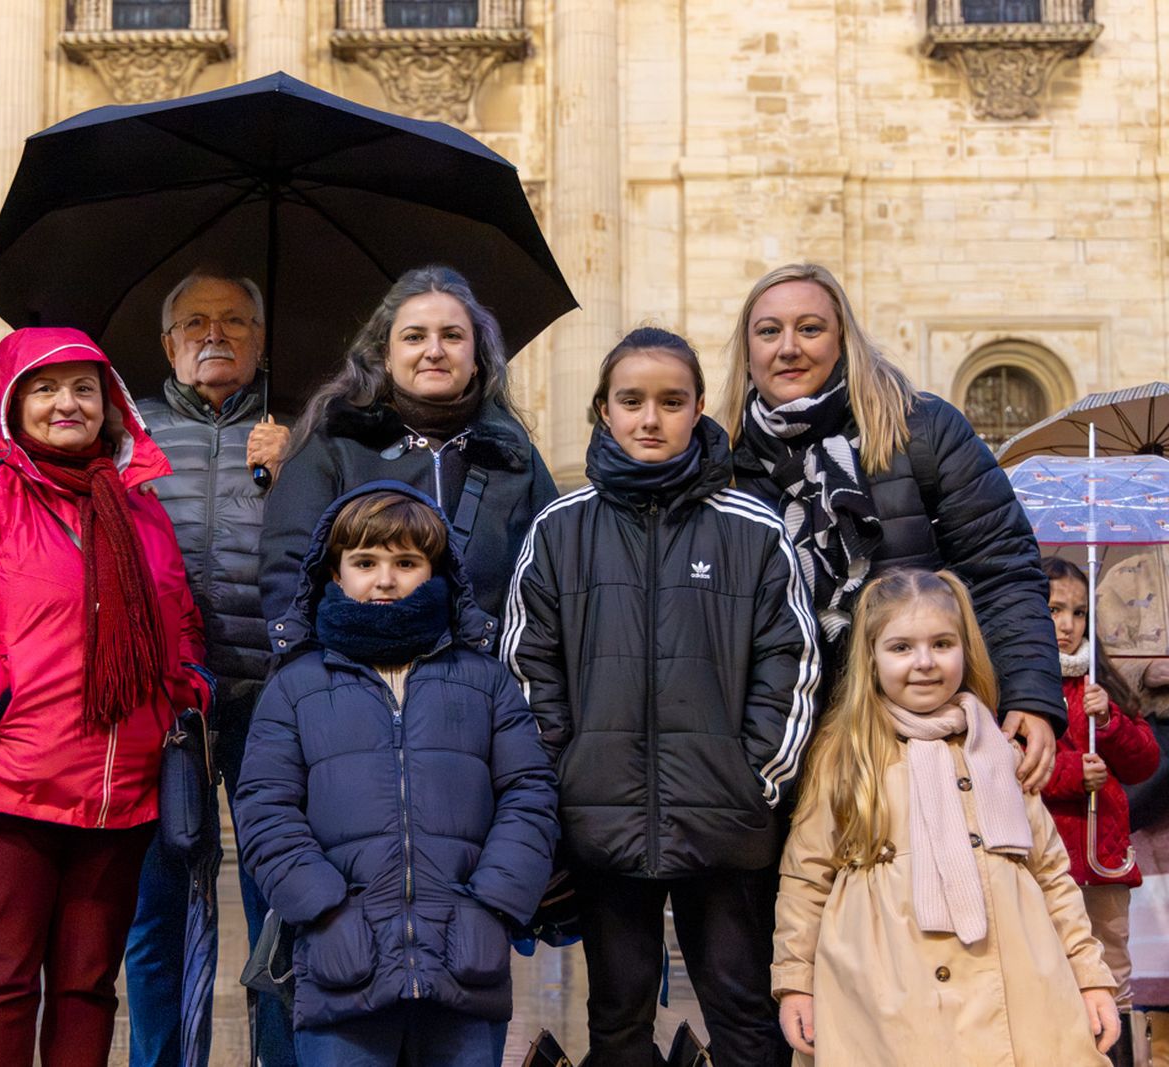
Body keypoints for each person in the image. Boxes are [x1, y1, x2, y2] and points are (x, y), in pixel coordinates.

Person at [0, 326, 211, 1067]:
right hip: (7, 781)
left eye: (84, 388)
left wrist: (177, 692)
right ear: (13, 401)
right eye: (46, 387)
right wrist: (1, 704)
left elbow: (179, 616)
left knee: (89, 984)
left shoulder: (138, 507)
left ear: (111, 403)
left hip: (118, 787)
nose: (68, 403)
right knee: (3, 975)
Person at [503, 328, 819, 1066]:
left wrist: (752, 780)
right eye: (633, 401)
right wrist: (564, 780)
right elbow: (527, 666)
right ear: (603, 410)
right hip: (602, 824)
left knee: (743, 1011)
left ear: (700, 407)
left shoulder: (752, 527)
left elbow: (793, 660)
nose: (651, 418)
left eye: (671, 401)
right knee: (617, 1015)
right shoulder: (560, 529)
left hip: (726, 824)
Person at [236, 484, 558, 1066]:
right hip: (342, 964)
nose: (385, 580)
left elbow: (529, 795)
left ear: (434, 573)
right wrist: (325, 909)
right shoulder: (296, 686)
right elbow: (265, 810)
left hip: (464, 958)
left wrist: (493, 905)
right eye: (365, 562)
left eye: (406, 563)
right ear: (334, 575)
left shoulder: (484, 682)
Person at [720, 263, 1062, 792]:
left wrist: (1029, 696)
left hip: (919, 741)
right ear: (748, 352)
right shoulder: (724, 463)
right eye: (769, 331)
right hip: (779, 754)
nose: (788, 347)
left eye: (810, 328)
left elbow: (1002, 571)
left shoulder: (920, 428)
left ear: (843, 342)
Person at [773, 568, 1119, 1066]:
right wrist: (795, 984)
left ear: (966, 649)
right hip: (885, 994)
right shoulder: (845, 755)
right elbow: (805, 878)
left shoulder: (998, 751)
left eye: (942, 643)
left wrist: (1090, 977)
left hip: (1020, 985)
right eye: (901, 648)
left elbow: (1051, 874)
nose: (924, 663)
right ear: (870, 658)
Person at [126, 272, 293, 1067]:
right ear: (168, 343)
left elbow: (356, 540)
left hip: (274, 696)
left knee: (281, 908)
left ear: (262, 338)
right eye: (194, 321)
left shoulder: (302, 433)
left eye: (234, 320)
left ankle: (280, 1057)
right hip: (166, 700)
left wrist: (297, 470)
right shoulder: (129, 437)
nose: (214, 334)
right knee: (156, 909)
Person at [260, 265, 558, 627]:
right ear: (386, 355)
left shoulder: (514, 458)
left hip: (484, 677)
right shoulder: (333, 443)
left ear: (477, 359)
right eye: (414, 337)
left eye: (452, 336)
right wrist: (317, 671)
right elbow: (289, 572)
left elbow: (551, 583)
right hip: (350, 674)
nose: (434, 351)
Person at [1042, 556, 1162, 1066]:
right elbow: (1001, 766)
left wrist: (1109, 720)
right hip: (1045, 860)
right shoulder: (1013, 685)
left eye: (1077, 612)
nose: (1066, 625)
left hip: (1102, 859)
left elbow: (1144, 764)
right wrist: (1071, 775)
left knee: (1111, 972)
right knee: (1049, 973)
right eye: (1052, 609)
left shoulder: (1100, 685)